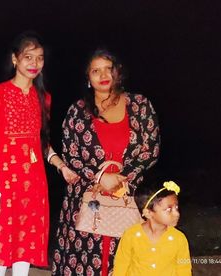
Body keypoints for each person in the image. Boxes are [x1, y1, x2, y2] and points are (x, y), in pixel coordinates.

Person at [51, 49, 161, 276]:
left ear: (118, 72)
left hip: (128, 195)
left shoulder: (140, 105)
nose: (103, 75)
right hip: (86, 196)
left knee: (126, 259)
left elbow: (151, 148)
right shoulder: (78, 111)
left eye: (108, 69)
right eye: (95, 70)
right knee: (83, 262)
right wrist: (100, 176)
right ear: (88, 78)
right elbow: (71, 152)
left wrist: (124, 176)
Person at [0, 31, 79, 276]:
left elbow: (42, 143)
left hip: (33, 183)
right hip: (4, 182)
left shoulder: (43, 97)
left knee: (26, 245)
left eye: (39, 58)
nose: (34, 63)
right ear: (15, 59)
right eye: (28, 57)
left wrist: (61, 166)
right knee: (1, 245)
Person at [114, 180, 192, 275]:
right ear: (148, 213)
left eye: (176, 207)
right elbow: (121, 265)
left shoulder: (179, 239)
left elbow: (184, 269)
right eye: (168, 209)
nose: (177, 213)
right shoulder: (131, 235)